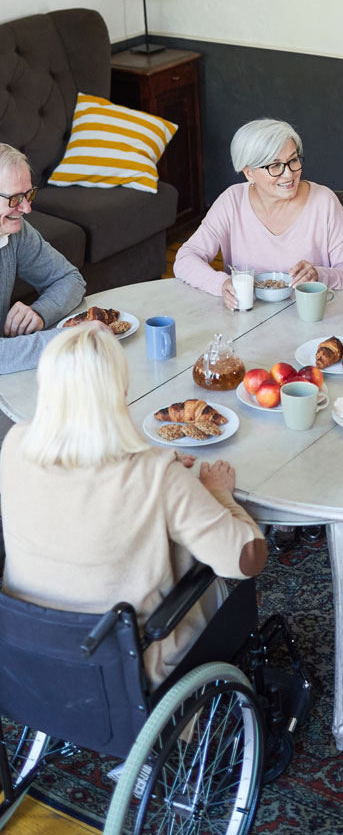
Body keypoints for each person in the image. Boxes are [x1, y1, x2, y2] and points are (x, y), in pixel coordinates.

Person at [0, 324, 268, 687]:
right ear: (122, 391)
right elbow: (246, 559)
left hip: (29, 656)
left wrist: (158, 461)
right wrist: (216, 493)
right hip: (127, 669)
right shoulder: (157, 477)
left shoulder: (14, 444)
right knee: (209, 579)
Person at [175, 117, 343, 305]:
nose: (289, 174)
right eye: (275, 166)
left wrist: (319, 274)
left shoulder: (324, 202)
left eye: (293, 160)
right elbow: (185, 258)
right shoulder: (232, 201)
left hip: (311, 319)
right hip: (247, 321)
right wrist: (221, 284)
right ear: (249, 173)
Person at [0, 143, 85, 373]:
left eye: (29, 194)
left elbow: (70, 279)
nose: (27, 208)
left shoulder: (15, 231)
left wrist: (40, 313)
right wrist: (76, 339)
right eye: (15, 198)